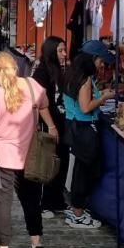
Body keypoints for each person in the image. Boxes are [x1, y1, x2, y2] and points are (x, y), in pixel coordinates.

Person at [0, 52, 59, 248]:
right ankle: (37, 246)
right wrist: (51, 125)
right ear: (16, 66)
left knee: (2, 203)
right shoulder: (32, 85)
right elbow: (45, 103)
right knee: (31, 201)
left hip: (3, 158)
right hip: (29, 156)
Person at [62, 41, 116, 228]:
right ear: (92, 59)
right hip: (84, 128)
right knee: (83, 172)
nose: (102, 65)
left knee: (80, 169)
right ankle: (78, 212)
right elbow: (85, 108)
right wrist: (102, 98)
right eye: (101, 60)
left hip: (74, 125)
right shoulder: (84, 80)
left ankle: (77, 208)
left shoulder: (73, 74)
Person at [33, 36, 69, 217]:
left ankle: (57, 200)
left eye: (65, 50)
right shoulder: (42, 71)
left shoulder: (61, 70)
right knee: (48, 161)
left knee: (61, 160)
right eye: (60, 50)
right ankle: (45, 202)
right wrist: (51, 126)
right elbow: (40, 103)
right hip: (49, 123)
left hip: (62, 121)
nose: (64, 54)